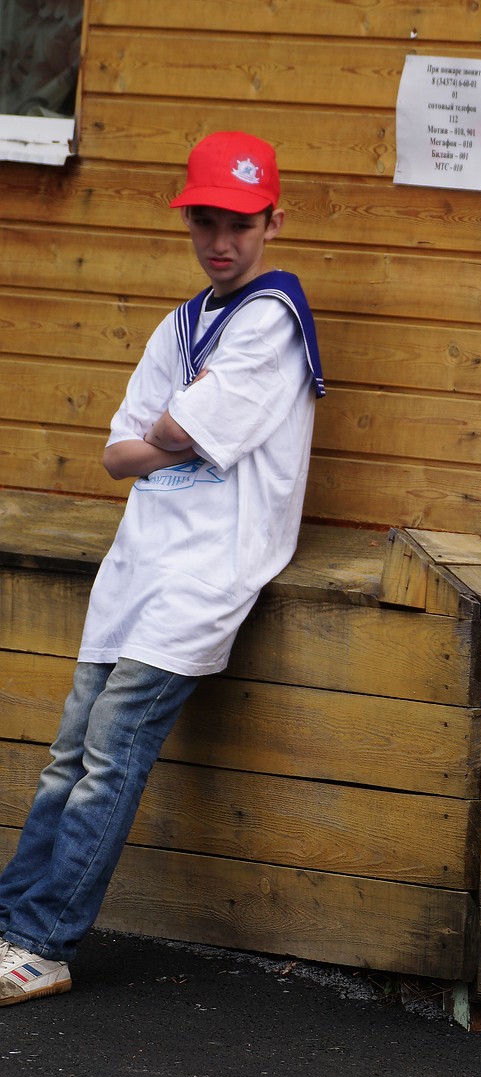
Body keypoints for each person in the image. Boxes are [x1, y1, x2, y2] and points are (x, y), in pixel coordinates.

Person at [0, 131, 324, 1005]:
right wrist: (166, 433)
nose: (222, 242)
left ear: (273, 222)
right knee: (67, 753)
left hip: (206, 572)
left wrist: (164, 434)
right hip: (139, 562)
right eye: (206, 223)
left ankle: (44, 944)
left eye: (241, 225)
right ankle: (10, 925)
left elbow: (175, 432)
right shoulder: (182, 323)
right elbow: (117, 451)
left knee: (109, 754)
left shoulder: (275, 321)